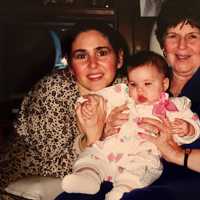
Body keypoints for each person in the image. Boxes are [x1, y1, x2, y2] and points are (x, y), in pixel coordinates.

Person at [0, 20, 129, 197]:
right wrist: (91, 138)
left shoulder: (127, 88)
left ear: (119, 58)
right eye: (81, 56)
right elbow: (53, 169)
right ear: (70, 65)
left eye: (102, 53)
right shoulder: (52, 91)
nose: (93, 64)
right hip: (27, 186)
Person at [61, 51, 200, 200]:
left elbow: (193, 123)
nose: (139, 90)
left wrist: (187, 129)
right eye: (133, 84)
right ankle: (87, 178)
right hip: (113, 147)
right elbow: (100, 97)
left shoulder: (175, 105)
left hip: (144, 153)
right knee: (93, 154)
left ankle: (121, 191)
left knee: (141, 171)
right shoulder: (123, 95)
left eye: (147, 84)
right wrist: (91, 103)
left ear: (164, 84)